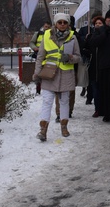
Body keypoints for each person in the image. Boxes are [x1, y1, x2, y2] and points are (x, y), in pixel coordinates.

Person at [32, 13, 81, 142]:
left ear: (68, 24)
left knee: (64, 102)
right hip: (49, 74)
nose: (62, 25)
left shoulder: (72, 37)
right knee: (47, 102)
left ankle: (64, 127)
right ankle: (43, 130)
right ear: (55, 23)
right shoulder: (47, 35)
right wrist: (37, 73)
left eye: (65, 22)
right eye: (60, 22)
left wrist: (70, 58)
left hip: (65, 74)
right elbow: (40, 57)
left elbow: (78, 57)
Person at [84, 15, 105, 117]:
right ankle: (98, 109)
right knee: (95, 89)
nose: (98, 25)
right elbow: (86, 48)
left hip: (104, 66)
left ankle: (105, 108)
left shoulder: (106, 35)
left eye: (100, 23)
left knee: (104, 89)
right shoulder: (90, 36)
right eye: (96, 23)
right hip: (93, 66)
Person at [29, 21, 51, 94]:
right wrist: (34, 48)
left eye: (48, 27)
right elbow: (31, 42)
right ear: (43, 26)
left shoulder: (52, 34)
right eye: (45, 27)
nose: (47, 28)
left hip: (48, 56)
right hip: (39, 55)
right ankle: (38, 89)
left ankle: (46, 88)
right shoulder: (38, 34)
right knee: (38, 72)